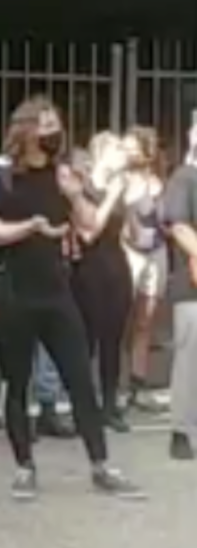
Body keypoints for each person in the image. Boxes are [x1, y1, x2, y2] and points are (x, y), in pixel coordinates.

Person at [0, 96, 141, 501]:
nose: (53, 132)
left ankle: (101, 464)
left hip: (55, 289)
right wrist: (30, 227)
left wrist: (73, 195)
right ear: (26, 129)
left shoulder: (61, 175)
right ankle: (24, 466)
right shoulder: (2, 177)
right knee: (17, 382)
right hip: (13, 289)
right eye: (45, 124)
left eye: (56, 124)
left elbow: (87, 227)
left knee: (79, 379)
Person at [69, 132, 132, 433]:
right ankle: (84, 406)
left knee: (113, 339)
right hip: (90, 267)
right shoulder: (85, 188)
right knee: (87, 339)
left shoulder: (120, 185)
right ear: (102, 153)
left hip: (116, 265)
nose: (124, 154)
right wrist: (111, 197)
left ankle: (109, 404)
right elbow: (89, 232)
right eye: (118, 149)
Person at [121, 125, 168, 407]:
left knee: (145, 321)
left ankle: (137, 383)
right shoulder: (123, 180)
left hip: (157, 252)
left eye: (132, 147)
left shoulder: (161, 178)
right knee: (121, 317)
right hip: (129, 252)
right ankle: (115, 381)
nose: (128, 153)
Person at [161, 123, 197, 460]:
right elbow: (179, 226)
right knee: (190, 360)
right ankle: (182, 431)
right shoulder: (185, 178)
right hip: (192, 285)